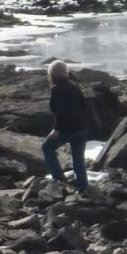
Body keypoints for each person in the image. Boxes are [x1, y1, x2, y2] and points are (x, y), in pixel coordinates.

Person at [41, 60, 96, 194]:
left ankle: (59, 179)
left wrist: (57, 129)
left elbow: (61, 111)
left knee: (47, 148)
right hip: (81, 128)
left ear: (51, 73)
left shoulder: (56, 88)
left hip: (66, 129)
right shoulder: (74, 85)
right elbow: (84, 106)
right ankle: (83, 186)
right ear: (65, 72)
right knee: (78, 158)